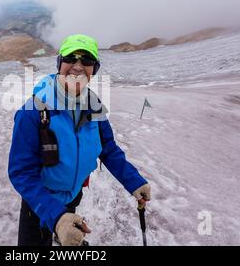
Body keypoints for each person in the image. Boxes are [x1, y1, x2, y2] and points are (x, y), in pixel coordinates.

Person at [8, 34, 151, 246]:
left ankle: (61, 230)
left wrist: (133, 180)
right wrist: (57, 217)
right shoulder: (32, 112)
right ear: (59, 63)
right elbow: (21, 173)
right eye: (71, 58)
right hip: (38, 201)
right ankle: (57, 227)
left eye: (87, 60)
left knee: (66, 228)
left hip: (72, 196)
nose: (78, 66)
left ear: (94, 69)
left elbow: (108, 148)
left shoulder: (94, 106)